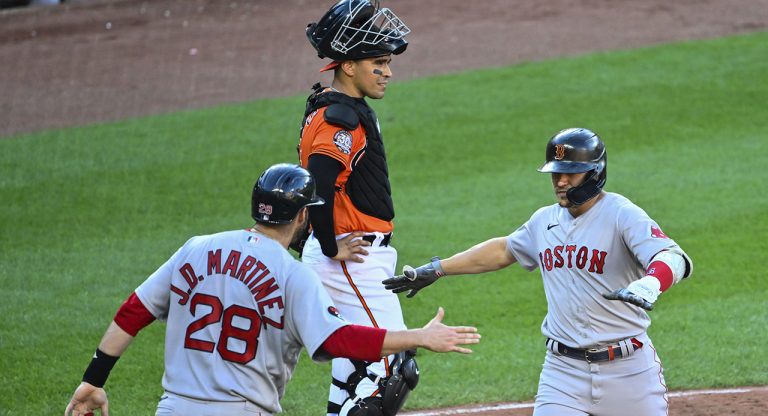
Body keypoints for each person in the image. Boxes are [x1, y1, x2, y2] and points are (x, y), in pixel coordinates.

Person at [64, 164, 480, 416]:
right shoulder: (293, 274)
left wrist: (93, 380)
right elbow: (340, 340)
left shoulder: (195, 248)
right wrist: (419, 338)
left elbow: (133, 311)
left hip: (173, 407)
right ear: (302, 216)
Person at [383, 128, 694, 416]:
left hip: (629, 371)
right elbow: (504, 250)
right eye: (556, 173)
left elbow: (672, 256)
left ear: (596, 172)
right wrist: (438, 269)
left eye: (570, 173)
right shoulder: (545, 221)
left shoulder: (621, 214)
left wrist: (652, 281)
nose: (560, 181)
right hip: (563, 371)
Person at [298, 0, 414, 416]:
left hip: (357, 258)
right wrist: (330, 247)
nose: (386, 73)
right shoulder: (338, 121)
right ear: (348, 66)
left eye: (387, 64)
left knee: (354, 375)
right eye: (377, 64)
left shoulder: (347, 109)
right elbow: (317, 189)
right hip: (350, 259)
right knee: (392, 367)